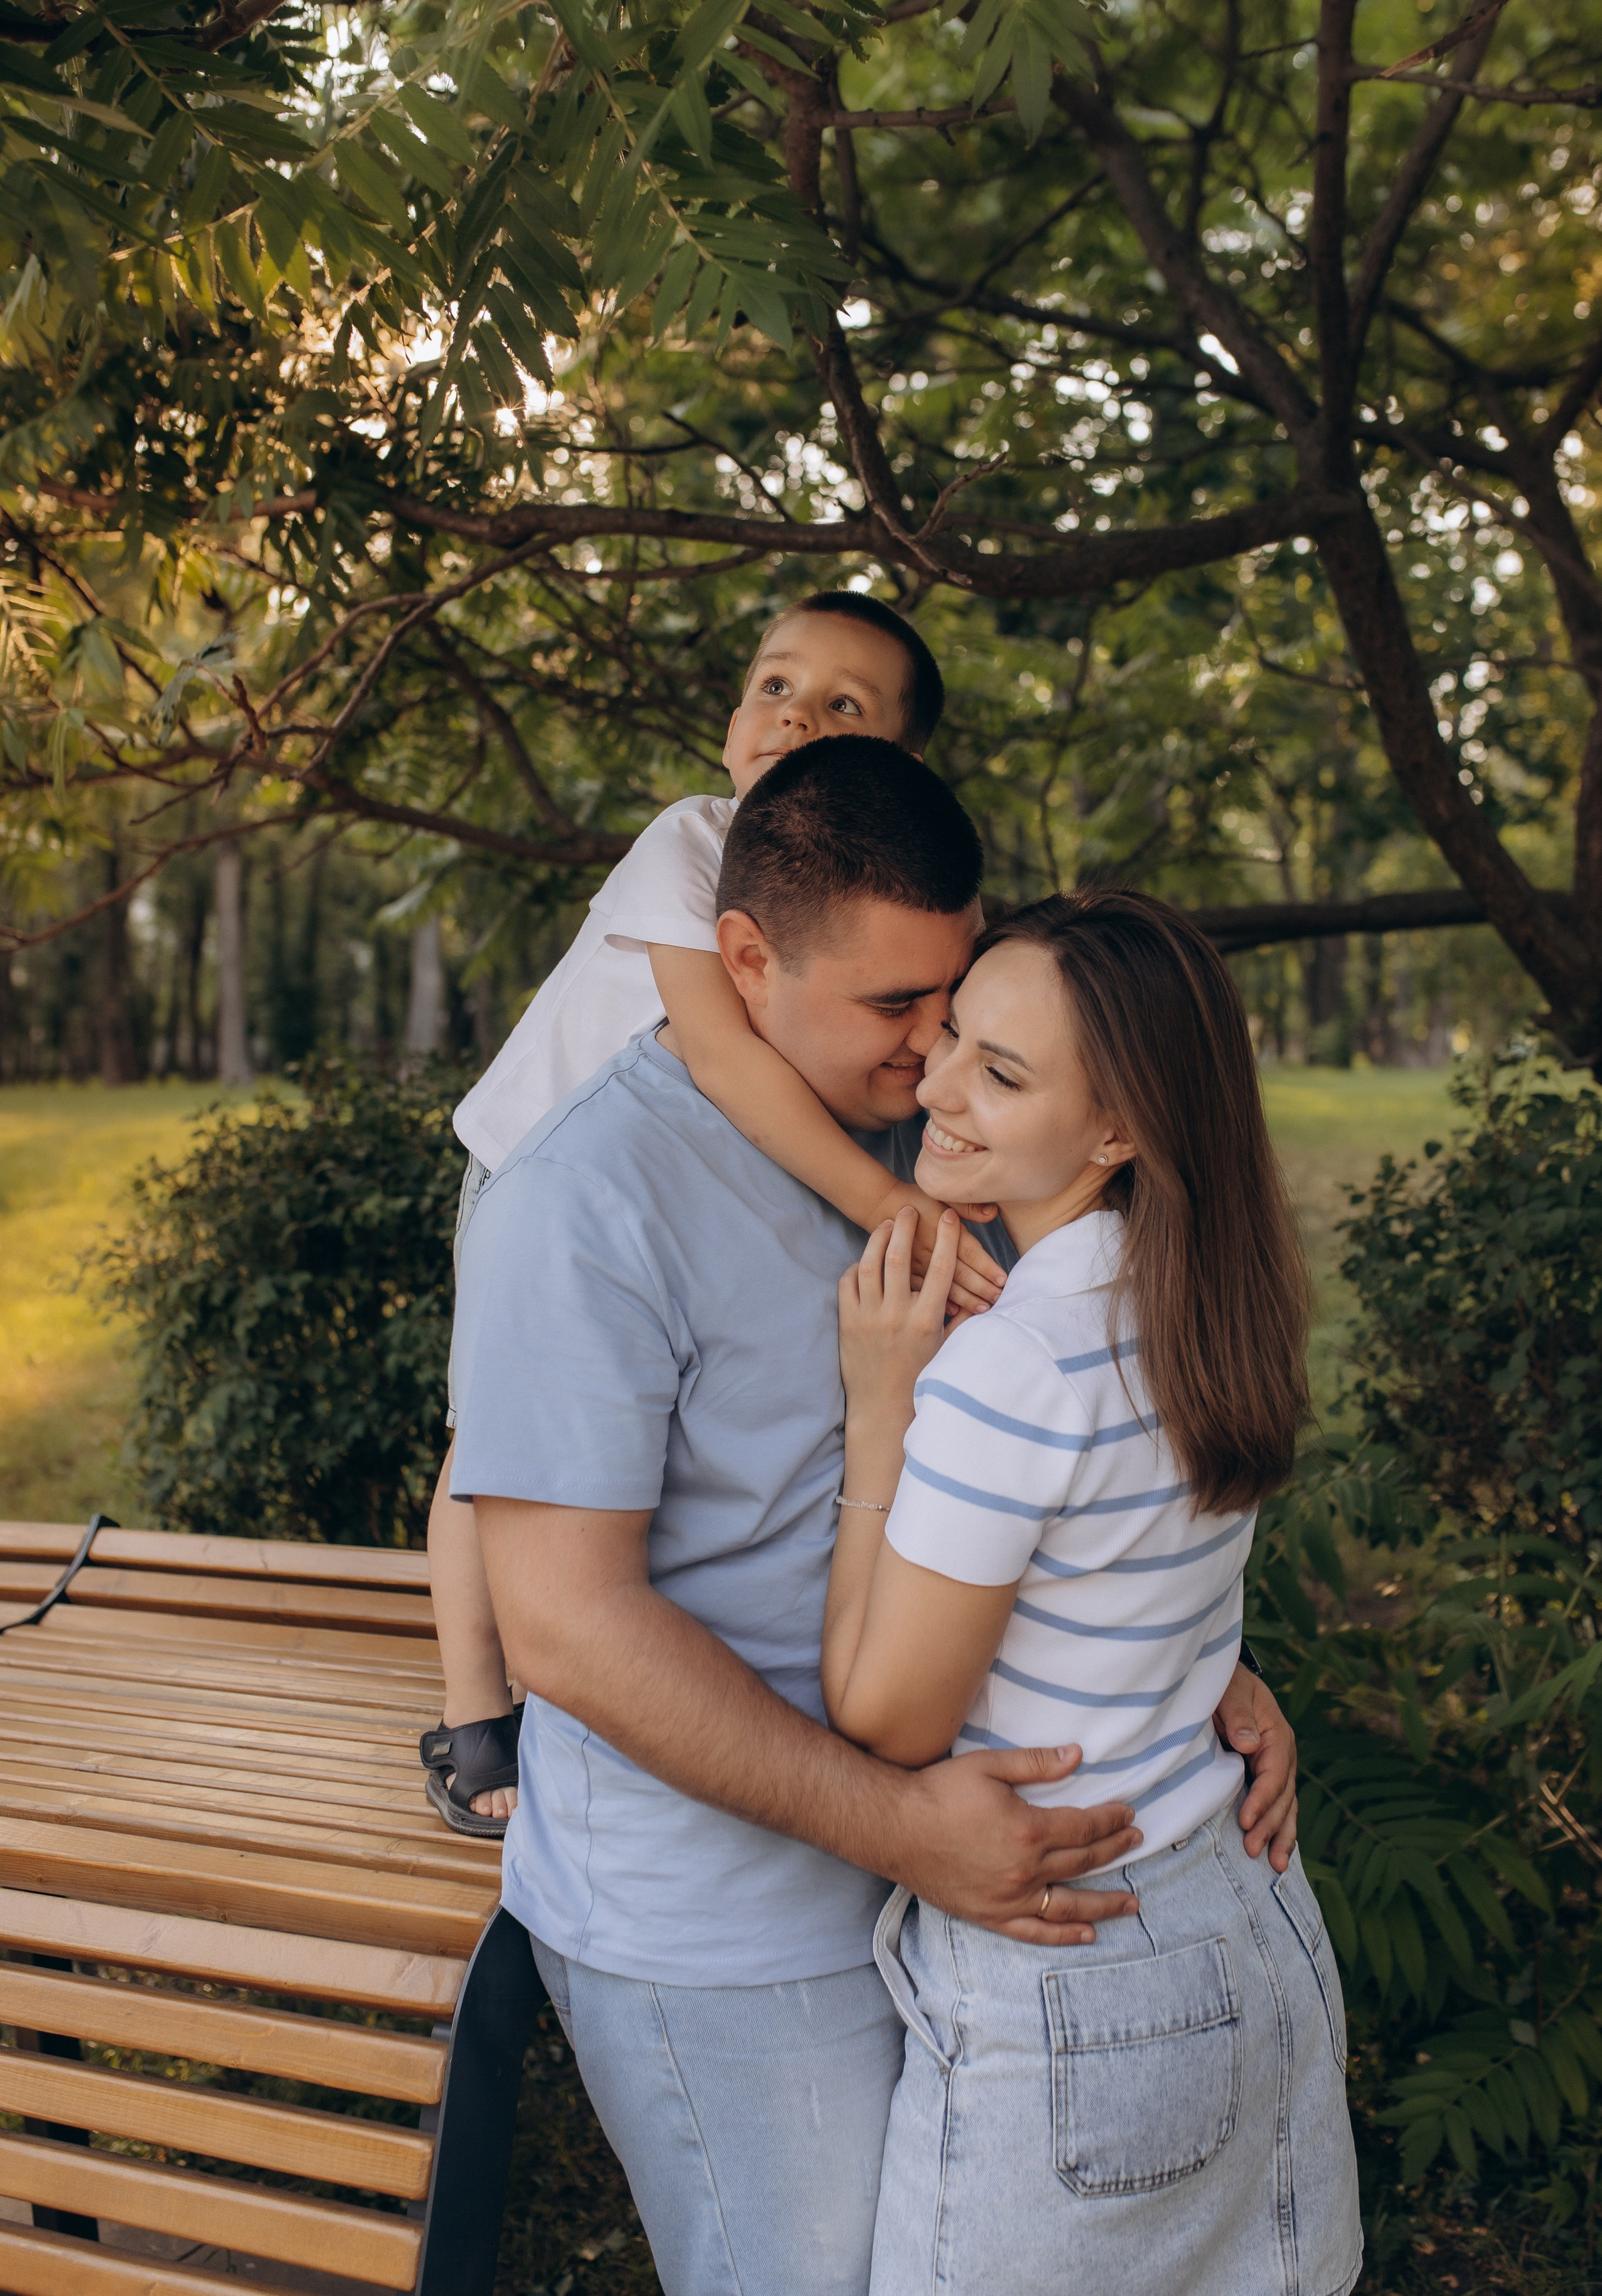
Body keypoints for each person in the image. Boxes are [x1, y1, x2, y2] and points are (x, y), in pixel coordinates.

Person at [452, 739, 1303, 2296]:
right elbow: (564, 1629)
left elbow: (1071, 1453)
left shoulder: (944, 1127)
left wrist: (1174, 1667)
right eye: (894, 1012)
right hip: (731, 1926)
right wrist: (901, 1827)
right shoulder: (578, 1205)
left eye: (954, 999)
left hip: (955, 1891)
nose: (930, 1057)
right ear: (743, 962)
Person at [822, 888, 1362, 2296]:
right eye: (948, 1041)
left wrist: (880, 1414)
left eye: (999, 1074)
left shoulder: (1015, 1367)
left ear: (1117, 1127)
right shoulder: (1200, 1301)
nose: (934, 1086)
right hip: (1243, 1912)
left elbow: (885, 1720)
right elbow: (1146, 1597)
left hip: (1080, 1958)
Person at [421, 593, 1004, 1834]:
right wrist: (896, 1208)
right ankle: (476, 1716)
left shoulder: (869, 921)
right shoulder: (689, 844)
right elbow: (731, 1064)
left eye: (842, 706)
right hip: (535, 1165)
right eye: (774, 685)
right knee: (493, 1450)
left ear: (890, 769)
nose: (793, 716)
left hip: (660, 1181)